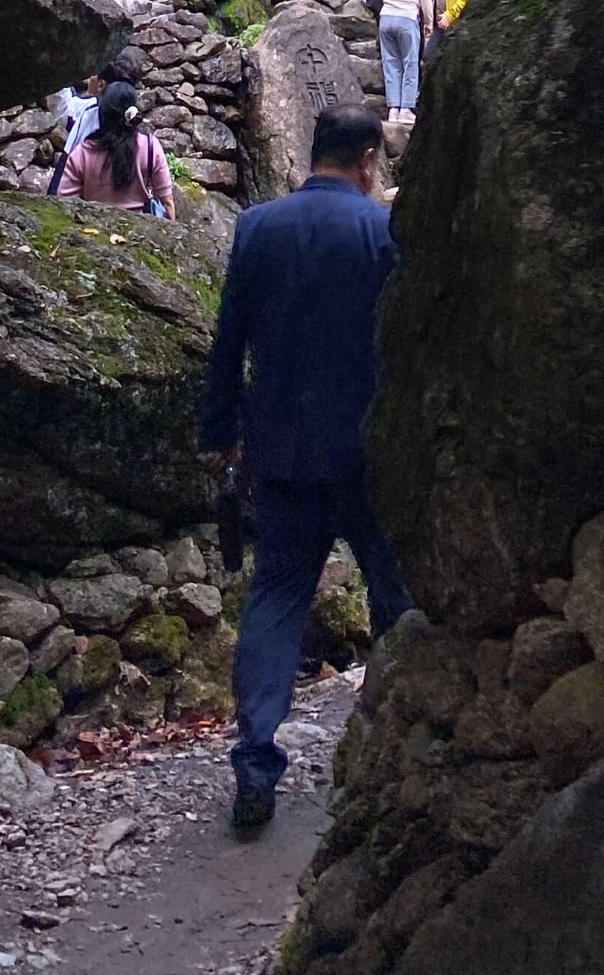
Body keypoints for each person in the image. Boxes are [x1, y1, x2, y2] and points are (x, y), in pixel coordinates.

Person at [201, 102, 414, 833]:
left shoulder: (257, 227)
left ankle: (255, 756)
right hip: (364, 450)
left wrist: (218, 432)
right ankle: (399, 752)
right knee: (393, 594)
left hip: (281, 450)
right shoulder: (381, 232)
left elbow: (228, 340)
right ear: (365, 161)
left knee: (277, 597)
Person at [54, 80, 176, 218]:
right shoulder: (150, 146)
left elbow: (64, 202)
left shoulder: (81, 154)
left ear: (101, 115)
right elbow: (167, 201)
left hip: (95, 228)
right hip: (142, 227)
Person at [376, 0, 436, 120]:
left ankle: (393, 108)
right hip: (407, 17)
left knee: (391, 64)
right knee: (410, 64)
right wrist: (428, 22)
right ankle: (406, 109)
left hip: (386, 17)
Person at [45, 67, 110, 192]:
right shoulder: (133, 122)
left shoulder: (88, 113)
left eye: (94, 75)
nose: (90, 78)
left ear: (101, 85)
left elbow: (63, 108)